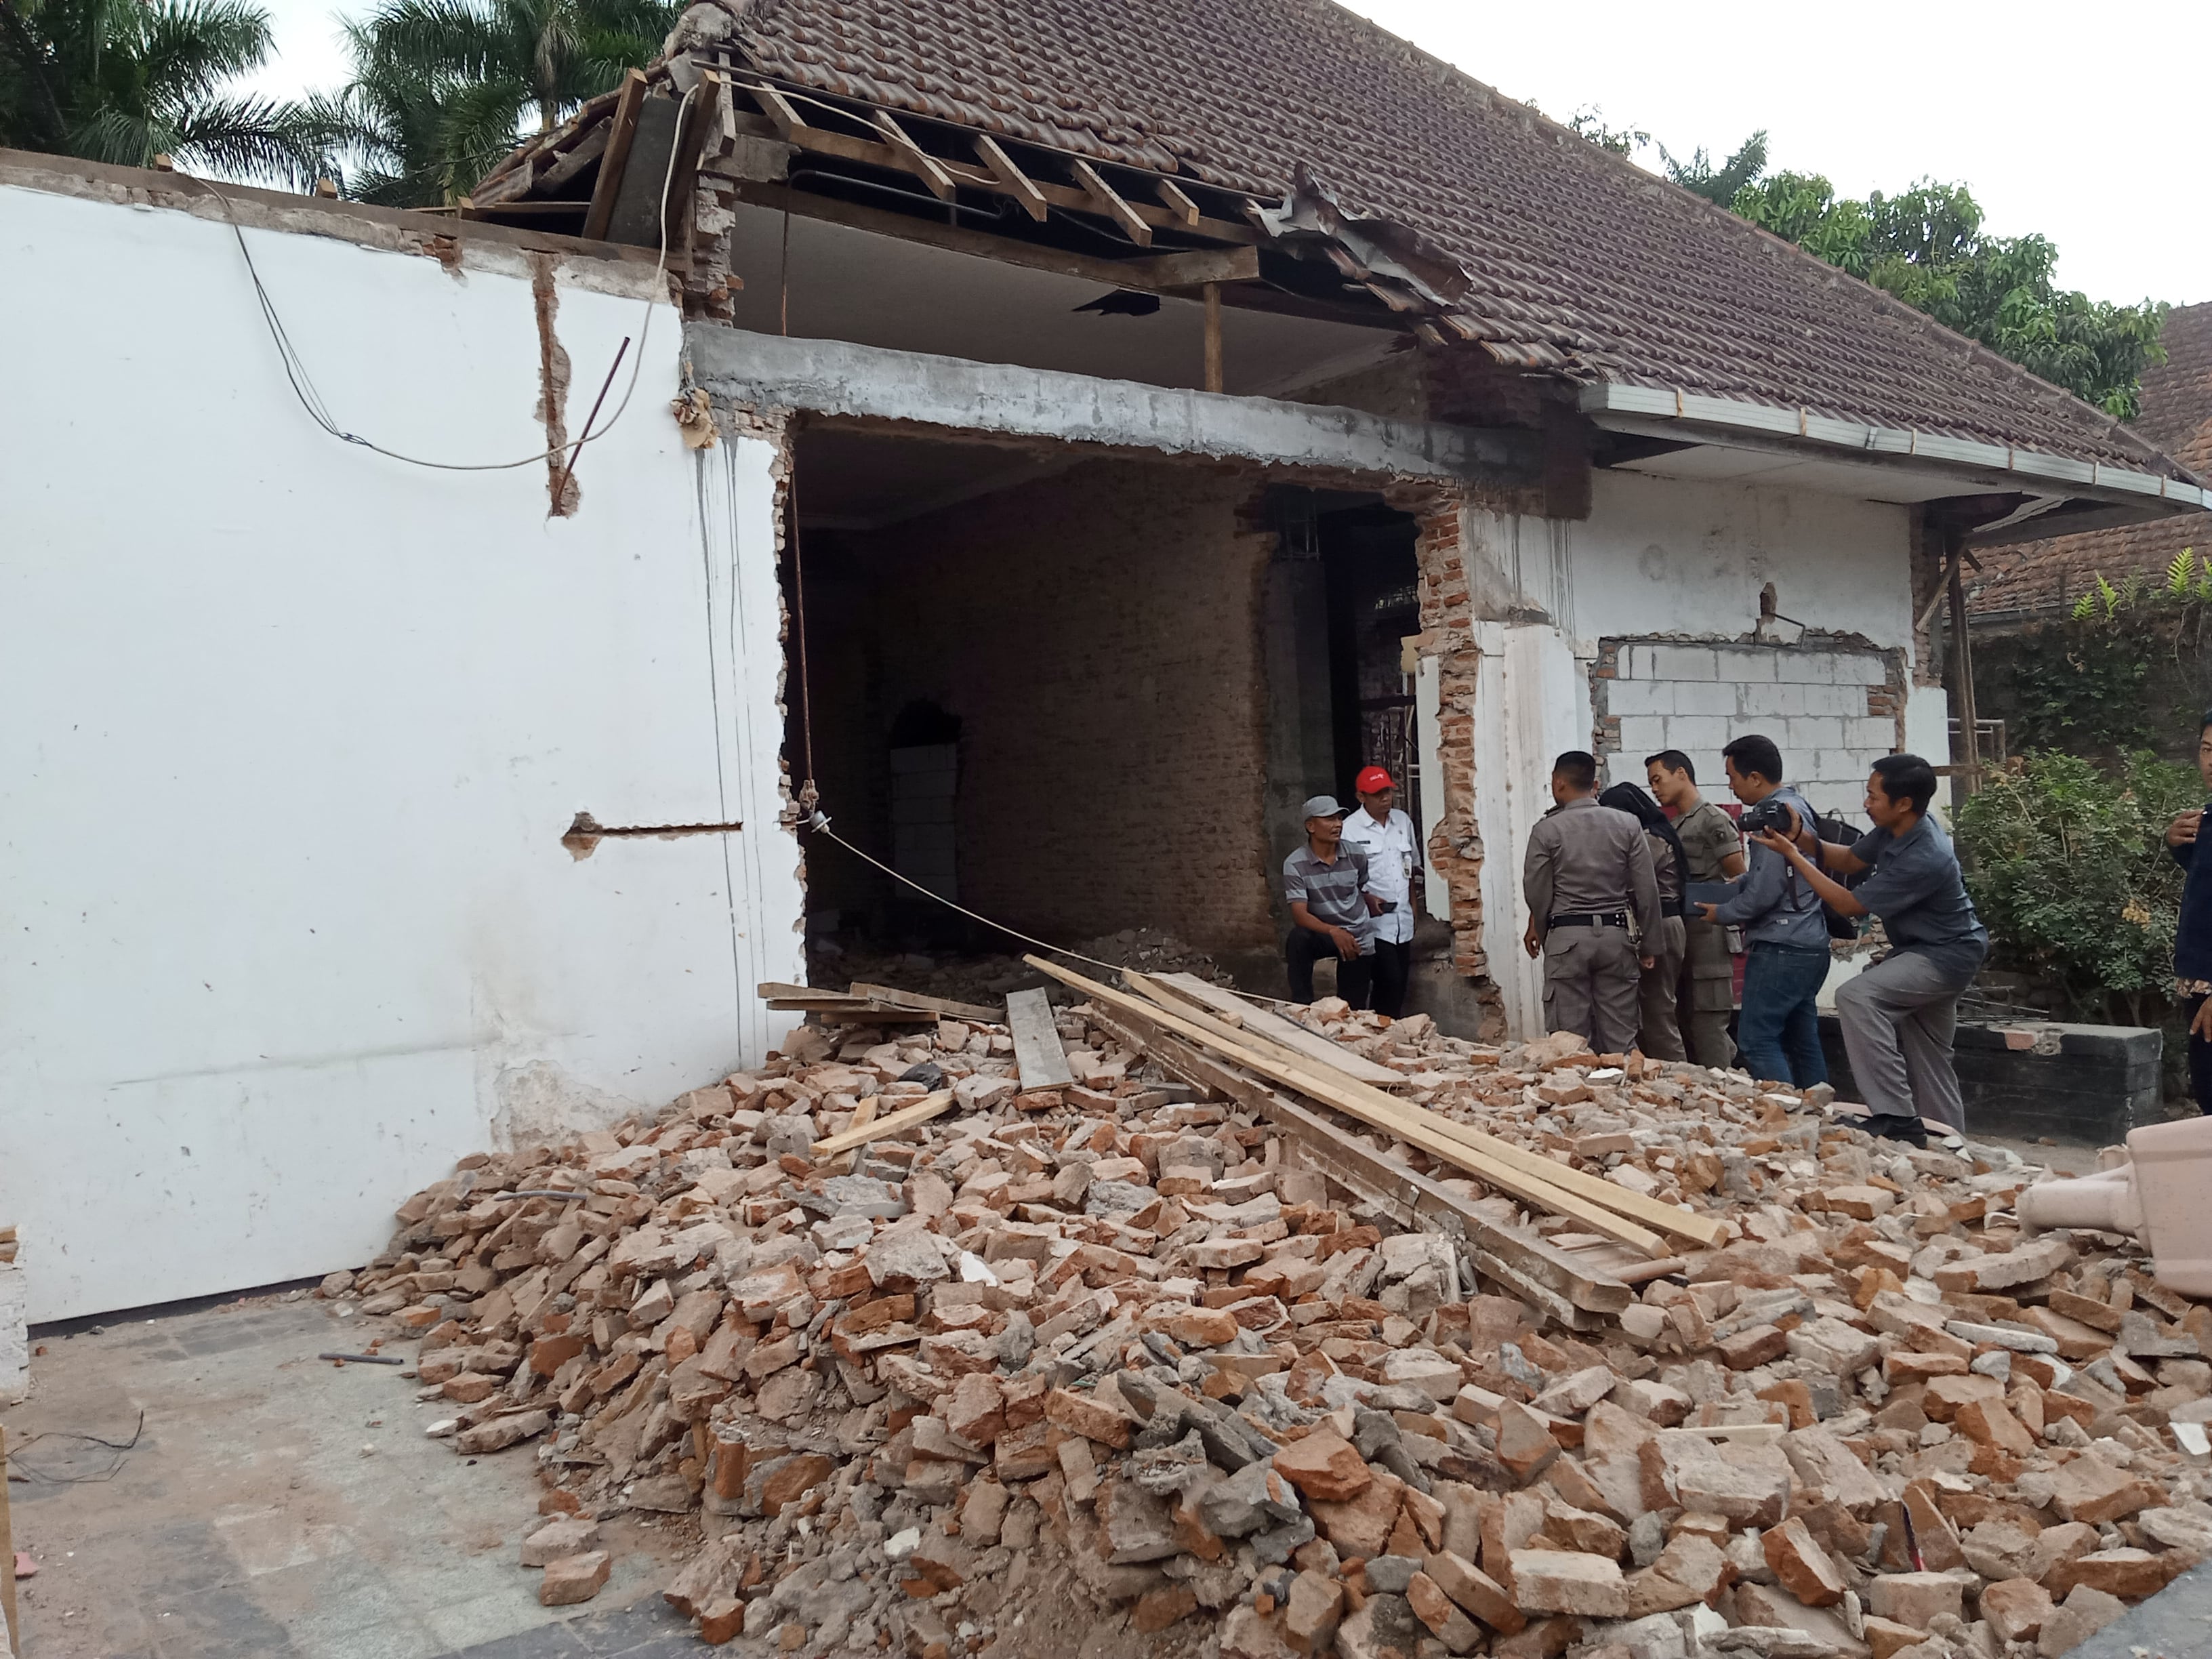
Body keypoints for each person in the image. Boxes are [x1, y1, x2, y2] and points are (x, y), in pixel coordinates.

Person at [1753, 753, 1988, 1147]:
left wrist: (1794, 857)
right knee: (1930, 1052)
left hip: (1945, 955)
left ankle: (1895, 1115)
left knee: (1857, 996)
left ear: (1904, 803)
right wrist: (1800, 838)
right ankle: (1949, 1143)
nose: (1866, 803)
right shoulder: (1896, 828)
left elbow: (1849, 904)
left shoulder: (1925, 854)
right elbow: (1848, 858)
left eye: (1873, 796)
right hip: (1933, 950)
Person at [1696, 735, 1828, 1088]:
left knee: (1757, 1039)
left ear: (1754, 777)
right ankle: (1818, 1116)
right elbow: (1767, 880)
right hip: (1809, 942)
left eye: (1732, 777)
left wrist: (1720, 913)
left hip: (1782, 946)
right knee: (1803, 1040)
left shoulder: (1774, 818)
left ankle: (1783, 1116)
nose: (1731, 786)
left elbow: (1764, 894)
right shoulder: (1796, 806)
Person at [1522, 752, 1661, 1054]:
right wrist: (1649, 945)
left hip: (1567, 938)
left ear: (1559, 784)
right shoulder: (1628, 824)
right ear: (1594, 784)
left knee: (1570, 1043)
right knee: (1621, 1039)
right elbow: (1647, 890)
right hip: (1616, 937)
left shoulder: (1547, 829)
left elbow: (1537, 890)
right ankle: (1625, 1096)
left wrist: (1544, 933)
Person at [1647, 750, 1746, 1068]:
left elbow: (1739, 876)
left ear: (1681, 774)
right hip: (1684, 933)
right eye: (1651, 783)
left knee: (1708, 1021)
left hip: (1710, 933)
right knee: (1685, 1017)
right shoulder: (1673, 825)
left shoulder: (1713, 820)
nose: (1655, 789)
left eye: (1658, 779)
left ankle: (1724, 1087)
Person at [1599, 781, 1690, 1060]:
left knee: (1658, 1008)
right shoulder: (1654, 835)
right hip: (1656, 922)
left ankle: (1676, 1074)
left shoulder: (1650, 840)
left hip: (1659, 923)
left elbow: (1627, 882)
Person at [1339, 765, 1424, 1018]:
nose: (1385, 798)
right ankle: (1375, 1031)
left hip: (1403, 920)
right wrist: (1364, 900)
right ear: (1361, 797)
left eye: (1388, 792)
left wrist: (1414, 907)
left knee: (1398, 989)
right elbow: (1343, 880)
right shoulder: (1350, 829)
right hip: (1372, 922)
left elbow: (1409, 868)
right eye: (1377, 794)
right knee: (1388, 981)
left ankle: (1387, 1034)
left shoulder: (1402, 821)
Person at [1284, 794, 1375, 1006]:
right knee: (1298, 939)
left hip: (1356, 933)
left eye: (1339, 819)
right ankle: (1302, 1006)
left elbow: (1360, 886)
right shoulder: (1295, 864)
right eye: (1330, 819)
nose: (1338, 825)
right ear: (1311, 826)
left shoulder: (1356, 854)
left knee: (1353, 1007)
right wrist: (1334, 931)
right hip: (1324, 933)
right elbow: (1300, 915)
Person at [2164, 712, 2212, 1116]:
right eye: (2207, 750)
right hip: (2198, 985)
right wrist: (2179, 846)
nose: (2211, 762)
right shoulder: (2205, 820)